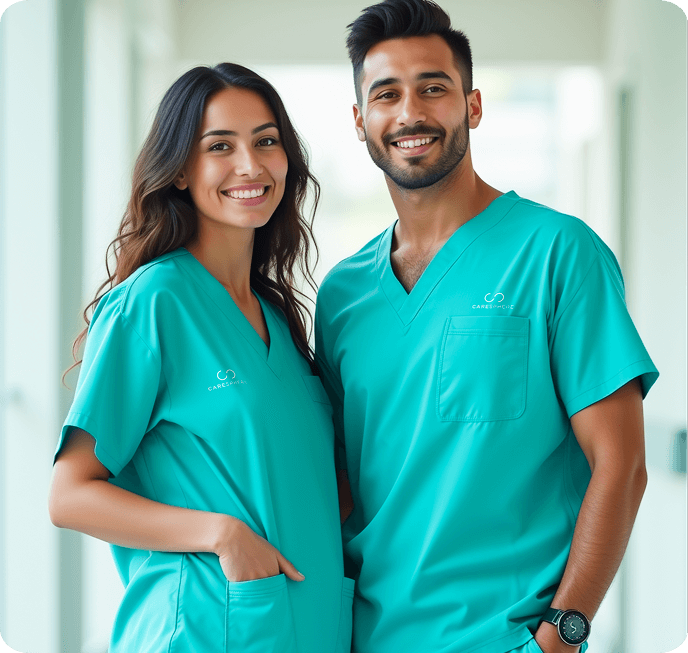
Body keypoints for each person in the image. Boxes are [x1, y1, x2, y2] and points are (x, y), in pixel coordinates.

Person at [314, 2, 658, 652]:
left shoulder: (559, 254)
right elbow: (339, 484)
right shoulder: (342, 295)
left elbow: (621, 464)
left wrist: (562, 633)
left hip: (507, 639)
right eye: (387, 94)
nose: (411, 112)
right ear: (361, 122)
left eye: (433, 88)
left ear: (472, 105)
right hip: (365, 636)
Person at [49, 62, 354, 653]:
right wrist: (220, 533)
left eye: (267, 142)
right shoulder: (153, 303)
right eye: (221, 146)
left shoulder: (279, 319)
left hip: (305, 628)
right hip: (204, 629)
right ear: (182, 171)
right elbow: (70, 494)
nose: (251, 165)